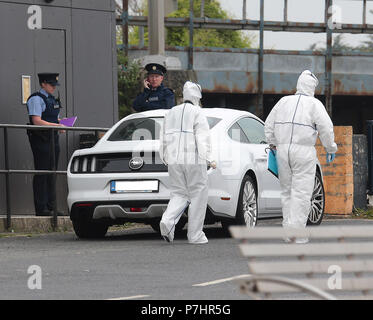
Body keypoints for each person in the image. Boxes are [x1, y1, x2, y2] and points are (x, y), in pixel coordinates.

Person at [264, 70, 337, 244]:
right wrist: (330, 148)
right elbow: (326, 128)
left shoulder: (283, 102)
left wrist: (273, 143)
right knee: (302, 192)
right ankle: (297, 233)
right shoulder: (314, 104)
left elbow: (268, 124)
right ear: (312, 87)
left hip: (282, 151)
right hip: (304, 151)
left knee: (287, 192)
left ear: (298, 84)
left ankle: (288, 231)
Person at [159, 81, 217, 244]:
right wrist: (209, 158)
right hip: (193, 158)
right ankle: (195, 235)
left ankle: (168, 221)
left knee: (179, 193)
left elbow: (163, 136)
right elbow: (202, 137)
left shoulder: (171, 112)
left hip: (174, 159)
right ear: (197, 96)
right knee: (198, 193)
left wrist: (164, 156)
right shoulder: (197, 113)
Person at [26, 73, 65, 216]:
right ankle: (41, 208)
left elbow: (54, 118)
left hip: (53, 137)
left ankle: (51, 206)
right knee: (42, 172)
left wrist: (62, 124)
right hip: (41, 139)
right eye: (51, 84)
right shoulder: (36, 99)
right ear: (43, 84)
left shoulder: (52, 99)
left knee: (52, 172)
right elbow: (36, 120)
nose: (54, 87)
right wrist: (55, 125)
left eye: (55, 85)